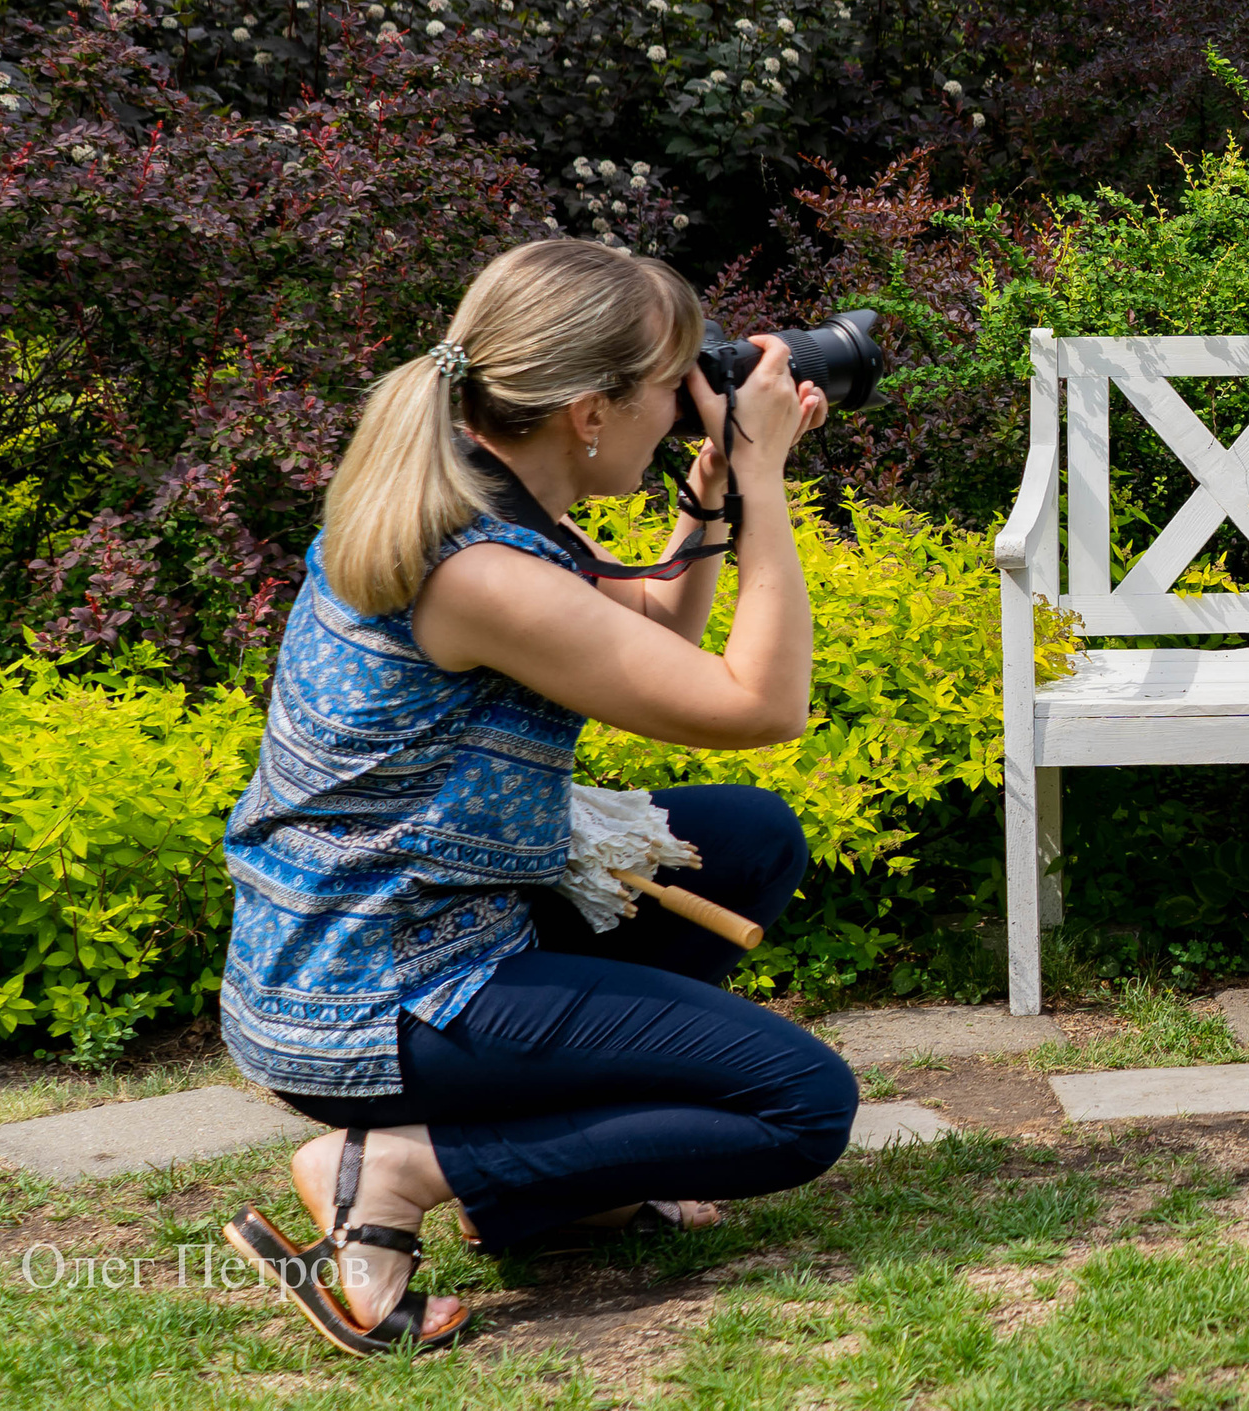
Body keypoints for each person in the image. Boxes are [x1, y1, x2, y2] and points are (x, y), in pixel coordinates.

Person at [216, 239, 858, 1354]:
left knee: (741, 841)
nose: (685, 409)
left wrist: (705, 502)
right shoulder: (480, 572)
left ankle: (556, 1194)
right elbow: (762, 705)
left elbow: (650, 631)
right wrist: (763, 488)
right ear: (588, 412)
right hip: (380, 986)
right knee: (799, 1106)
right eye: (669, 387)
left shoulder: (483, 495)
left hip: (371, 940)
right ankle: (390, 1170)